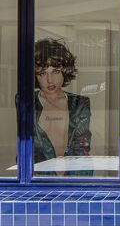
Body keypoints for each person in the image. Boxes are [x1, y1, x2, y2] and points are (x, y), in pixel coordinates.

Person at [33, 38, 91, 174]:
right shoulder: (26, 102)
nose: (49, 80)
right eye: (42, 73)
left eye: (56, 71)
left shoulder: (79, 104)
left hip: (74, 177)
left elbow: (82, 148)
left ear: (65, 71)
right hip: (37, 181)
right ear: (35, 75)